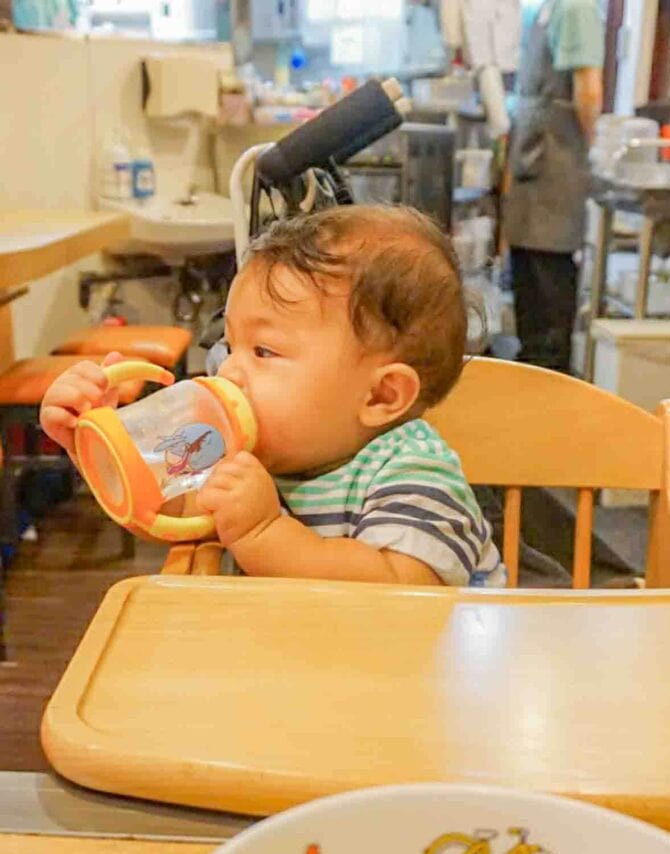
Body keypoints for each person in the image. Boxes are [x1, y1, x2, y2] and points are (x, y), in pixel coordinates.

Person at [40, 205, 505, 588]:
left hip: (417, 685)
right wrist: (94, 439)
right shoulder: (253, 451)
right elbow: (167, 511)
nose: (228, 369)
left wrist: (265, 532)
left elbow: (402, 590)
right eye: (230, 344)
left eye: (263, 351)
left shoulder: (411, 469)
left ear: (382, 395)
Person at [503, 0, 605, 372]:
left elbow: (588, 89)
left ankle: (544, 377)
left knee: (542, 279)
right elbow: (586, 88)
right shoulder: (563, 8)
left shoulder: (568, 7)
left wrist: (593, 148)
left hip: (549, 152)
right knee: (535, 278)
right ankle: (537, 370)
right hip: (543, 152)